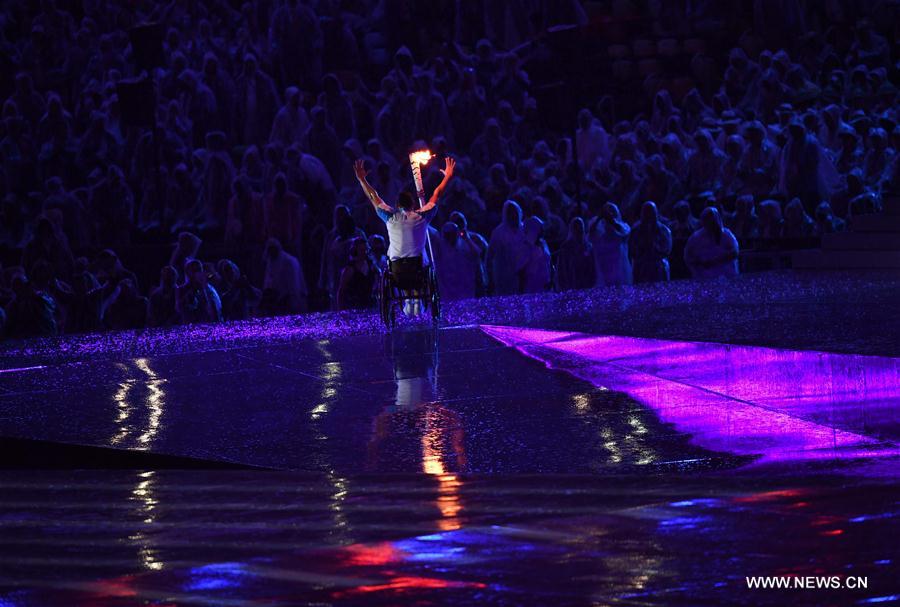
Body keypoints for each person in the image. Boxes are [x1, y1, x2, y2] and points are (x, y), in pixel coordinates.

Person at [353, 155, 455, 314]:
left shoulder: (390, 217)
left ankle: (410, 297)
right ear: (413, 204)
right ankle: (414, 297)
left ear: (396, 205)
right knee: (422, 259)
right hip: (419, 270)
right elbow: (437, 193)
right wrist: (448, 176)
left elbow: (374, 196)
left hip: (397, 272)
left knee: (399, 263)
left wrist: (362, 180)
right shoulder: (422, 216)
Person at [684, 208, 740, 280]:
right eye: (708, 219)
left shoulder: (726, 234)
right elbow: (688, 256)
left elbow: (735, 252)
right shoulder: (696, 237)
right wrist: (700, 263)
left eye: (712, 219)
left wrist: (716, 260)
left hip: (726, 276)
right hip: (704, 276)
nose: (711, 222)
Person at [487, 200, 528, 295]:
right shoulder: (498, 233)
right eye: (510, 213)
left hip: (523, 278)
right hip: (504, 277)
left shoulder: (525, 230)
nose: (514, 215)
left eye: (515, 212)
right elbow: (489, 256)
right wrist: (490, 278)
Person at [629, 201, 673, 283]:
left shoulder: (663, 230)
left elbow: (667, 249)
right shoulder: (635, 230)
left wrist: (654, 248)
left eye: (651, 212)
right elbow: (632, 249)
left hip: (659, 267)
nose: (648, 215)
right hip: (641, 267)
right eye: (646, 212)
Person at [591, 202, 632, 287]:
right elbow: (591, 234)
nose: (609, 214)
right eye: (607, 212)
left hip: (619, 266)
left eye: (611, 211)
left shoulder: (623, 226)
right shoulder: (598, 229)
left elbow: (625, 233)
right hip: (603, 266)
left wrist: (612, 221)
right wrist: (599, 218)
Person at [336, 237, 378, 311]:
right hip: (354, 307)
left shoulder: (371, 266)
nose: (364, 252)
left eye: (366, 250)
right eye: (361, 250)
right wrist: (341, 310)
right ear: (355, 251)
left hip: (370, 306)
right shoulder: (349, 269)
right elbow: (341, 291)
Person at [556, 217, 595, 291]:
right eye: (576, 228)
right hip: (570, 285)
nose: (579, 231)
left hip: (586, 285)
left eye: (580, 228)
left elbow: (592, 267)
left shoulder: (588, 246)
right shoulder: (566, 248)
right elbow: (562, 269)